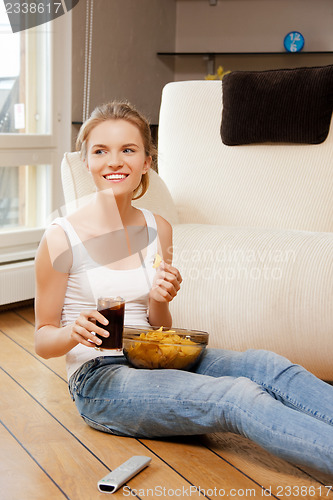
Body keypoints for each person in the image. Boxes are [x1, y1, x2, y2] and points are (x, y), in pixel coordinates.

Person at [34, 101, 333, 476]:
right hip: (100, 379)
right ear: (87, 161)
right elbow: (42, 339)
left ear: (146, 161)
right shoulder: (61, 237)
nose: (114, 161)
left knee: (268, 366)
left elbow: (159, 323)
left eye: (128, 149)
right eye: (100, 151)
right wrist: (72, 330)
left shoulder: (158, 228)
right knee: (237, 398)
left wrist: (160, 299)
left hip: (154, 354)